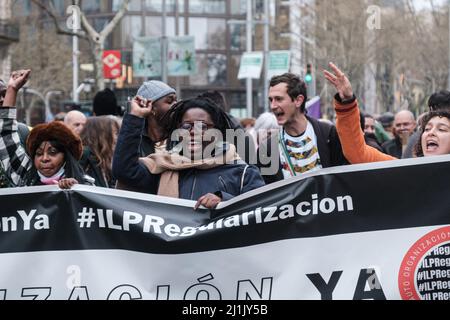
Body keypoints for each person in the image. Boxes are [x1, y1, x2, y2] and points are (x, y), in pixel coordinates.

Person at [112, 96, 265, 209]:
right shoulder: (163, 167)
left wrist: (224, 200)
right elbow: (124, 171)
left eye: (202, 126)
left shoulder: (243, 173)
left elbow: (260, 214)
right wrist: (134, 117)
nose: (193, 132)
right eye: (186, 126)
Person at [324, 62, 450, 162]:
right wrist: (347, 101)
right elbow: (357, 153)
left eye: (442, 129)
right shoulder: (404, 170)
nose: (431, 133)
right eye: (427, 129)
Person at [0, 69, 92, 188]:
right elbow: (6, 136)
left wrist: (77, 191)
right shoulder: (26, 177)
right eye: (38, 153)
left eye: (53, 152)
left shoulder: (87, 185)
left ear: (66, 156)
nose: (44, 159)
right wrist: (12, 89)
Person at [257, 73, 347, 184]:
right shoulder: (266, 150)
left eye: (279, 99)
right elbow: (266, 194)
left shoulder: (328, 134)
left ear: (298, 100)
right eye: (271, 100)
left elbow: (344, 179)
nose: (273, 106)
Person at [134, 80, 177, 157]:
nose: (176, 105)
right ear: (151, 108)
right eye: (170, 101)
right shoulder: (135, 140)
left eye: (176, 100)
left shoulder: (181, 135)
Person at [79, 116, 121, 188]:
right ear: (103, 134)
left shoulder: (105, 157)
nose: (117, 137)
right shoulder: (85, 153)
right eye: (115, 133)